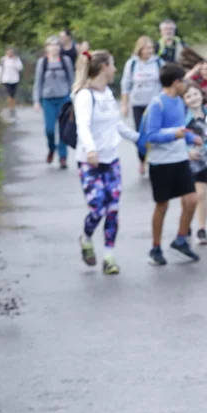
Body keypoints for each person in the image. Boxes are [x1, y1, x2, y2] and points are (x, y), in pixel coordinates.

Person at [71, 50, 139, 275]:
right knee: (98, 206)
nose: (115, 69)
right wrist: (91, 149)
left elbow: (116, 123)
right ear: (103, 68)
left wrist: (138, 138)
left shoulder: (108, 93)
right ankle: (86, 238)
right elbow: (82, 126)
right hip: (90, 162)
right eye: (113, 65)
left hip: (111, 160)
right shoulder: (85, 95)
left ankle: (109, 257)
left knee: (112, 209)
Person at [143, 63, 203, 266]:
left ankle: (180, 240)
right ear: (176, 82)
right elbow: (151, 135)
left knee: (192, 200)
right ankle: (155, 248)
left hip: (180, 159)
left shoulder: (179, 101)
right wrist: (174, 135)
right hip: (161, 163)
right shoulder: (157, 104)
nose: (186, 84)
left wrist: (191, 138)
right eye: (184, 81)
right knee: (162, 205)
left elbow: (181, 129)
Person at [183, 81, 207, 246]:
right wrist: (187, 151)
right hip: (184, 161)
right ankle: (185, 225)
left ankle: (201, 228)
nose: (193, 98)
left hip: (203, 160)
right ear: (184, 100)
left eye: (195, 94)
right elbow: (177, 137)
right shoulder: (181, 116)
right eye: (188, 96)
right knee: (187, 196)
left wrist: (204, 149)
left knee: (201, 194)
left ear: (201, 94)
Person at [121, 36, 162, 176]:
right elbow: (126, 84)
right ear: (140, 49)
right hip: (138, 104)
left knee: (155, 133)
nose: (150, 51)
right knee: (140, 135)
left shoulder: (158, 62)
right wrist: (124, 104)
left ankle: (155, 160)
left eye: (151, 48)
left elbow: (165, 81)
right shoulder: (132, 63)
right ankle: (142, 159)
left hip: (154, 104)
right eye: (147, 48)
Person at [33, 35, 75, 168]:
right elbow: (38, 82)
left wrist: (75, 97)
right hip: (48, 100)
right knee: (49, 129)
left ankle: (63, 156)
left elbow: (72, 80)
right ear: (47, 48)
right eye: (51, 45)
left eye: (57, 45)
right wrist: (36, 100)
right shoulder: (43, 62)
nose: (54, 48)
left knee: (63, 129)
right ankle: (52, 148)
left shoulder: (66, 61)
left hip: (64, 98)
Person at [0, 46, 23, 119]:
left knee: (13, 95)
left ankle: (12, 107)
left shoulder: (16, 59)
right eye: (9, 51)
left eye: (11, 52)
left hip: (15, 79)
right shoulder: (3, 59)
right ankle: (10, 107)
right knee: (9, 94)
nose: (10, 53)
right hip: (6, 79)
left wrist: (14, 61)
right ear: (6, 52)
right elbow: (0, 69)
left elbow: (20, 68)